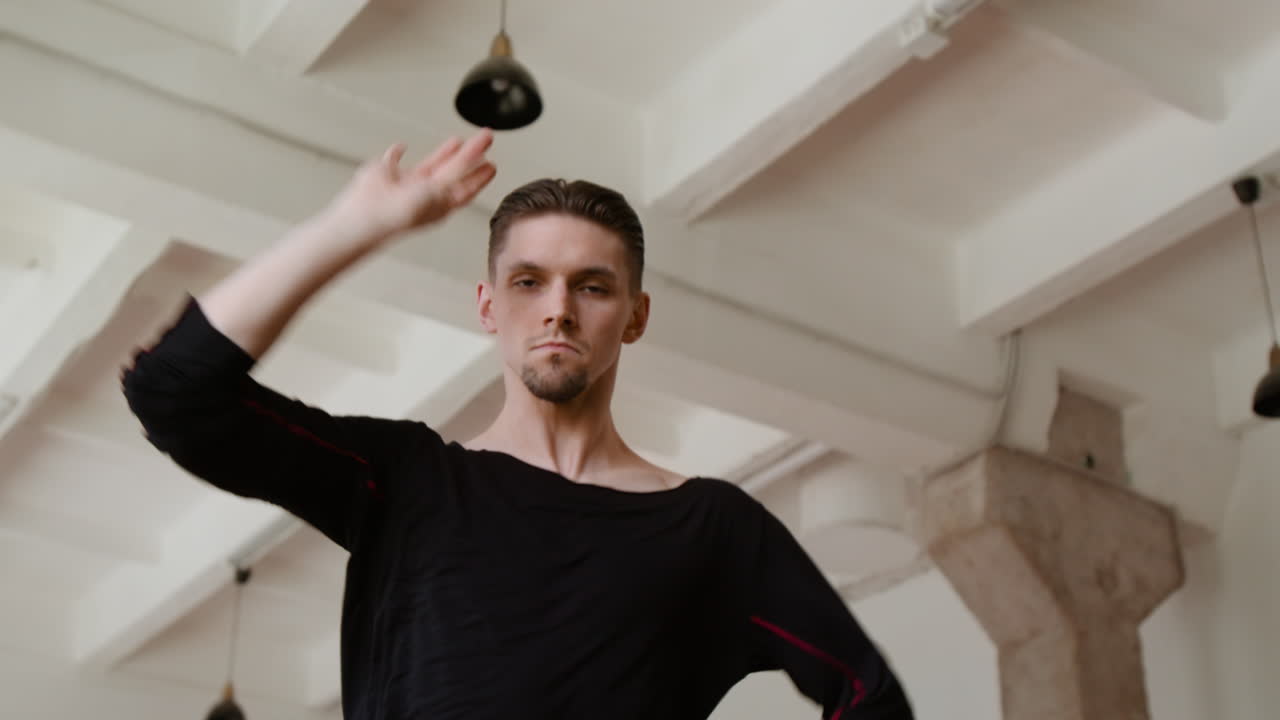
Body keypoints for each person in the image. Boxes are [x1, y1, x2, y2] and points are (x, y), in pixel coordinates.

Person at [120, 128, 914, 719]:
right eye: (529, 282)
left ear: (634, 317)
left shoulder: (712, 529)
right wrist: (354, 225)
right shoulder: (407, 482)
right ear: (489, 306)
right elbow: (176, 395)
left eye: (593, 287)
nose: (559, 309)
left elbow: (865, 695)